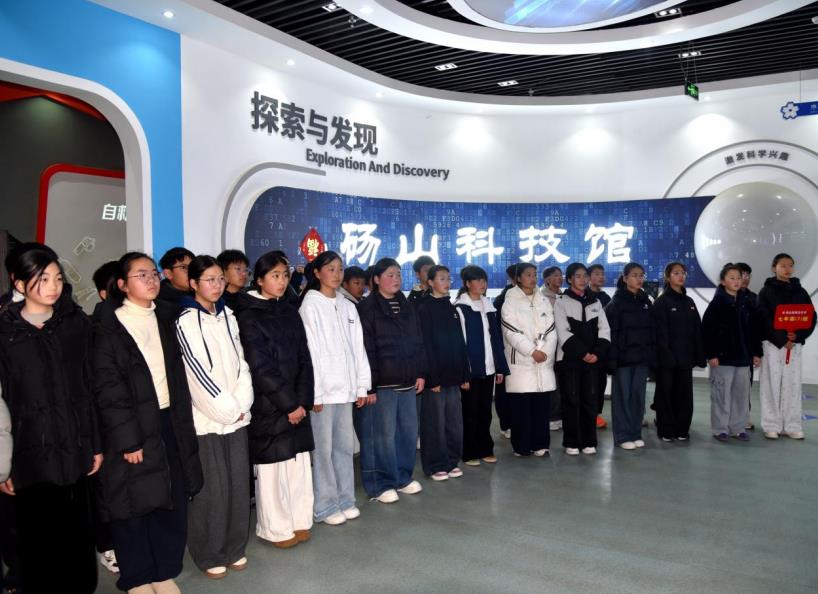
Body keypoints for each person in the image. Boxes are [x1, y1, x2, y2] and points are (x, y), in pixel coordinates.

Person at [94, 252, 203, 594]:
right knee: (133, 502)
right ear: (123, 285)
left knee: (170, 497)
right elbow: (108, 389)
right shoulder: (108, 325)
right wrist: (128, 439)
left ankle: (163, 571)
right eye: (141, 275)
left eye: (153, 273)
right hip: (132, 427)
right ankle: (138, 577)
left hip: (171, 419)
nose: (151, 280)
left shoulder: (167, 317)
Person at [0, 246, 101, 594]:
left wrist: (95, 444)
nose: (54, 286)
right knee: (37, 544)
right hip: (28, 456)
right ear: (19, 282)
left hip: (74, 447)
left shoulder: (75, 325)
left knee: (78, 537)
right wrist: (3, 465)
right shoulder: (5, 333)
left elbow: (88, 388)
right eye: (43, 279)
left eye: (58, 278)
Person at [176, 255, 253, 579]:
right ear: (194, 283)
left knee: (237, 485)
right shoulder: (185, 321)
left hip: (237, 416)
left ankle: (234, 547)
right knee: (212, 490)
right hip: (207, 420)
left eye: (220, 278)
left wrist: (242, 404)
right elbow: (196, 375)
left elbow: (241, 365)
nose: (217, 285)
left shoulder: (228, 316)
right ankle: (209, 554)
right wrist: (228, 409)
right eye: (209, 279)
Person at [232, 252, 315, 547]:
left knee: (298, 465)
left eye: (285, 275)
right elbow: (260, 366)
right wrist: (289, 404)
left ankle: (300, 520)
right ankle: (275, 528)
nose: (281, 281)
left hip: (296, 403)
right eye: (275, 275)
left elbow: (305, 358)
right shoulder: (249, 315)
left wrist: (302, 401)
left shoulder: (290, 310)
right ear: (259, 280)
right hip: (270, 405)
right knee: (272, 469)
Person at [298, 251, 371, 525]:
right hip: (324, 392)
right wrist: (315, 392)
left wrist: (361, 386)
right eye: (330, 268)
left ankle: (345, 499)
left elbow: (358, 347)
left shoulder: (347, 305)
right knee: (323, 451)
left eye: (340, 269)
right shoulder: (311, 305)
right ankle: (326, 506)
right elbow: (311, 352)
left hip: (346, 389)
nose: (337, 274)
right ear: (317, 273)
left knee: (343, 447)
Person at [357, 257, 427, 503]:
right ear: (376, 279)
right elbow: (366, 349)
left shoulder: (406, 305)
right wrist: (369, 385)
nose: (396, 279)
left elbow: (418, 340)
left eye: (398, 274)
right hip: (382, 384)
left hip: (407, 380)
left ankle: (402, 478)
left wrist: (420, 372)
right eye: (390, 275)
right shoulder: (367, 308)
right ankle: (380, 485)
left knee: (407, 433)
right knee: (381, 436)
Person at [418, 265, 469, 480]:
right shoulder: (424, 308)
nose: (447, 282)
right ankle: (435, 464)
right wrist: (432, 378)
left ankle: (451, 461)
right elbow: (426, 346)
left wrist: (464, 375)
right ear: (430, 282)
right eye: (441, 278)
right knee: (435, 423)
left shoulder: (451, 307)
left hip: (453, 376)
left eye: (448, 278)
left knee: (453, 423)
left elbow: (460, 343)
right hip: (436, 378)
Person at [553, 263, 610, 455]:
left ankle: (589, 441)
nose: (583, 279)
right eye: (578, 276)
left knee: (590, 401)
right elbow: (563, 332)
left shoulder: (596, 302)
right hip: (570, 361)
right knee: (571, 401)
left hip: (592, 361)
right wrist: (584, 353)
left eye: (585, 276)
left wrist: (597, 353)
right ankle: (571, 442)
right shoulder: (561, 302)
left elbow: (604, 330)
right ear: (569, 279)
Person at [757, 253, 815, 440]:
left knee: (792, 385)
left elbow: (811, 316)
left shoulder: (801, 291)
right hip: (773, 345)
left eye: (790, 265)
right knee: (771, 385)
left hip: (794, 345)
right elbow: (763, 318)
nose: (787, 269)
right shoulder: (766, 292)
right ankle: (771, 425)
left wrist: (797, 336)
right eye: (783, 266)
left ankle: (792, 425)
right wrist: (782, 339)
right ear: (774, 268)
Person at [702, 263, 762, 442]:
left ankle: (738, 427)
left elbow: (754, 330)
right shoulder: (717, 304)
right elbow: (707, 331)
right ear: (723, 281)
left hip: (743, 358)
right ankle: (720, 429)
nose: (737, 281)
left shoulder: (747, 303)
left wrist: (756, 353)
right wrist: (711, 354)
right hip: (723, 358)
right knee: (721, 395)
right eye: (732, 278)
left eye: (739, 278)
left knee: (741, 395)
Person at [501, 262, 557, 457]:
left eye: (534, 274)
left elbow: (551, 329)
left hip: (542, 362)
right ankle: (522, 446)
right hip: (522, 361)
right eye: (528, 275)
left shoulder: (543, 300)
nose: (533, 278)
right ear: (518, 278)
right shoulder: (510, 301)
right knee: (521, 408)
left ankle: (541, 444)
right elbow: (510, 331)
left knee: (541, 407)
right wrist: (531, 351)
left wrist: (544, 352)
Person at [455, 265, 509, 465]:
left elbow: (496, 339)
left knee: (485, 412)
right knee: (469, 412)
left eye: (484, 280)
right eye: (477, 280)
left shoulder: (488, 306)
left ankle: (486, 448)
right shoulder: (460, 308)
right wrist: (463, 373)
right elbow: (459, 344)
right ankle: (469, 452)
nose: (482, 284)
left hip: (489, 367)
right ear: (467, 283)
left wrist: (500, 367)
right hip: (471, 370)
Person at [90, 259, 122, 574]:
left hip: (133, 419)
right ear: (103, 292)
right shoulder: (93, 328)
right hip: (104, 422)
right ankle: (108, 546)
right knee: (105, 487)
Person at [651, 262, 705, 442]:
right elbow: (659, 333)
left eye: (683, 273)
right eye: (676, 273)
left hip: (685, 359)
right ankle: (666, 430)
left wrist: (698, 355)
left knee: (684, 395)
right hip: (667, 360)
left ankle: (682, 429)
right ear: (667, 277)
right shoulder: (662, 302)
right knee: (666, 395)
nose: (681, 276)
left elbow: (697, 330)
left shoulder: (689, 302)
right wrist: (666, 355)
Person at [605, 262, 655, 451]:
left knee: (637, 397)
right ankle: (623, 435)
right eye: (634, 275)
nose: (639, 279)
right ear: (625, 278)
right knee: (622, 398)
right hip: (623, 360)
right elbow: (611, 335)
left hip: (641, 359)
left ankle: (635, 433)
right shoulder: (616, 304)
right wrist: (612, 361)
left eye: (641, 275)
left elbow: (652, 332)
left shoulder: (645, 301)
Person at [491, 264, 518, 438]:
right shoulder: (504, 299)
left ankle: (516, 422)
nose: (533, 279)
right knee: (505, 389)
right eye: (528, 275)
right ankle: (506, 423)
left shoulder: (536, 298)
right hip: (505, 350)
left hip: (527, 354)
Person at [586, 263, 611, 430]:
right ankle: (588, 414)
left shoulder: (606, 298)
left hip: (601, 348)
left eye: (602, 274)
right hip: (586, 349)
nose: (601, 277)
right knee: (589, 384)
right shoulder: (584, 296)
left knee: (600, 383)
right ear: (588, 277)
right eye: (596, 274)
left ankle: (596, 414)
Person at [540, 266, 563, 431]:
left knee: (562, 381)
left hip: (564, 344)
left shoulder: (564, 296)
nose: (560, 278)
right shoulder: (541, 297)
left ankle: (560, 414)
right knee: (551, 381)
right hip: (549, 345)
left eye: (561, 275)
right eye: (555, 275)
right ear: (547, 279)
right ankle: (551, 416)